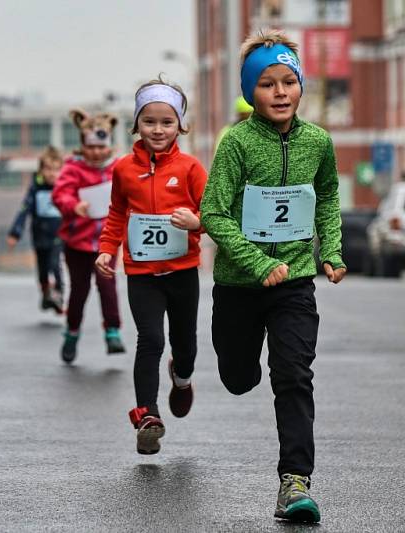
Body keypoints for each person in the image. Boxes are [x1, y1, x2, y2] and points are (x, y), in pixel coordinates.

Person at [200, 29, 345, 524]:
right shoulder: (236, 143)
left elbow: (325, 195)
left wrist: (332, 251)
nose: (280, 92)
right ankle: (239, 367)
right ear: (249, 92)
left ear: (301, 86)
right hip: (240, 285)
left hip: (295, 282)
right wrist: (259, 263)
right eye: (267, 84)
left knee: (294, 375)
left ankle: (295, 482)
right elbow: (213, 213)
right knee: (240, 378)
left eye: (288, 81)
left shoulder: (318, 142)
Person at [96, 77, 208, 455]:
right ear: (136, 125)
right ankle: (148, 416)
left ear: (180, 126)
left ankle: (183, 377)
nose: (157, 130)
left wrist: (197, 222)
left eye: (166, 122)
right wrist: (106, 250)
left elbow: (213, 213)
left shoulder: (192, 168)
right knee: (150, 339)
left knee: (184, 343)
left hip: (182, 271)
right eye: (149, 122)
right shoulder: (124, 169)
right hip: (142, 273)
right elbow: (116, 213)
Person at [52, 108, 125, 363]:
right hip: (77, 243)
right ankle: (72, 331)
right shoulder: (72, 169)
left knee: (107, 285)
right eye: (90, 147)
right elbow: (60, 194)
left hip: (106, 240)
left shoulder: (118, 168)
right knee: (79, 290)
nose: (96, 153)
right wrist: (74, 206)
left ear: (109, 145)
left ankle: (113, 330)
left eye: (100, 147)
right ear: (82, 146)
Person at [6, 146, 65, 314]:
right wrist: (14, 233)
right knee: (42, 267)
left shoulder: (64, 187)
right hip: (39, 234)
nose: (52, 174)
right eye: (48, 169)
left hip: (58, 234)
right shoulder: (36, 189)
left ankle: (59, 295)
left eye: (56, 170)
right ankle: (46, 293)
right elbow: (24, 210)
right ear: (40, 170)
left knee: (56, 264)